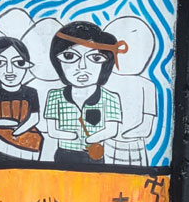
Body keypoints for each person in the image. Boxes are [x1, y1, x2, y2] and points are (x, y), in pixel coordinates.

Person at [41, 21, 126, 166]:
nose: (82, 67)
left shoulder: (110, 98)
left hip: (94, 154)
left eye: (95, 58)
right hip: (64, 154)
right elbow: (52, 130)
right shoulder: (55, 96)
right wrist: (75, 136)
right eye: (69, 56)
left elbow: (112, 130)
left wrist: (89, 140)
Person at [0, 36, 42, 163]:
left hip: (28, 146)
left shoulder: (31, 93)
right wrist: (10, 123)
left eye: (19, 63)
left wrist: (17, 132)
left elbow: (34, 118)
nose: (9, 70)